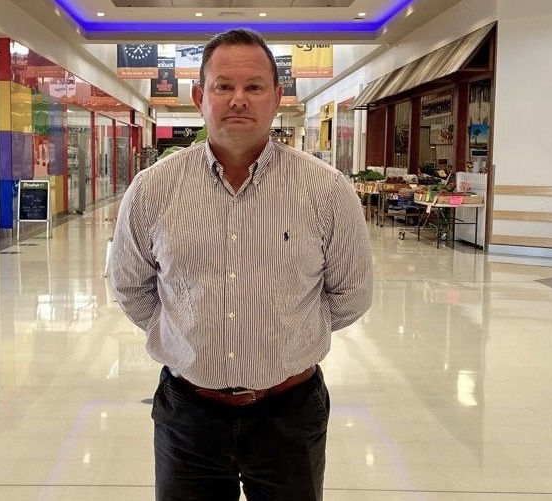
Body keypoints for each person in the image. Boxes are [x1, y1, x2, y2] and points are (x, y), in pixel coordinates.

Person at [108, 28, 373, 501]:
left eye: (253, 87)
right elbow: (132, 286)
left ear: (276, 97)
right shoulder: (153, 189)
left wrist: (293, 335)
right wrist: (185, 338)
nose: (238, 100)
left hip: (290, 413)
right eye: (222, 86)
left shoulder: (327, 191)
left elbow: (351, 293)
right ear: (199, 97)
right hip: (187, 414)